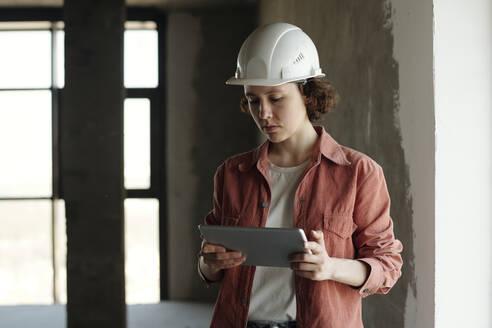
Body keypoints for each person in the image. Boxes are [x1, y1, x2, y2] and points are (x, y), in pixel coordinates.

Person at [197, 22, 403, 328]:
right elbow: (210, 266)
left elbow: (387, 266)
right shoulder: (231, 174)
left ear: (307, 94)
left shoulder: (359, 173)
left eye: (276, 98)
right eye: (253, 100)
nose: (263, 113)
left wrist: (330, 267)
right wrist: (208, 264)